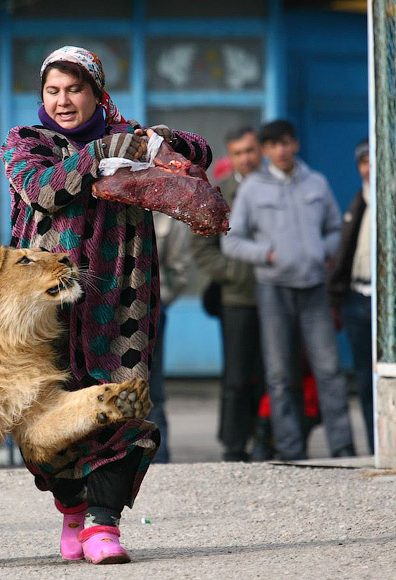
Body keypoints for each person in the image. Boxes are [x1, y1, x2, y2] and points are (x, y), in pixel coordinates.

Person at [1, 45, 212, 564]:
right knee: (45, 412)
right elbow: (45, 189)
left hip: (123, 296)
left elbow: (198, 152)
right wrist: (101, 154)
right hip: (45, 305)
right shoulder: (26, 142)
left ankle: (103, 524)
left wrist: (155, 142)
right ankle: (72, 506)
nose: (63, 100)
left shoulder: (127, 137)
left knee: (123, 401)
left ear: (97, 93)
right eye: (53, 90)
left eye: (75, 89)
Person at [221, 119, 356, 461]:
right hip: (273, 290)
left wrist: (318, 251)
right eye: (273, 145)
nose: (280, 150)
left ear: (295, 144)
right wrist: (265, 254)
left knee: (329, 369)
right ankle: (290, 448)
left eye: (285, 143)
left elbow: (334, 230)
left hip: (313, 289)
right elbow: (232, 242)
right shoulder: (253, 189)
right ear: (265, 151)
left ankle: (343, 446)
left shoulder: (317, 183)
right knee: (280, 373)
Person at [190, 127, 265, 462]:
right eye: (239, 153)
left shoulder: (275, 189)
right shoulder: (220, 195)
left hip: (279, 296)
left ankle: (269, 439)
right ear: (230, 156)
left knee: (274, 374)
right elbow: (202, 249)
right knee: (236, 375)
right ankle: (234, 444)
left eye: (251, 150)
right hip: (237, 299)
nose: (246, 158)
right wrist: (236, 274)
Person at [327, 138, 373, 453]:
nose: (369, 168)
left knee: (386, 375)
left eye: (374, 160)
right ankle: (375, 446)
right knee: (365, 379)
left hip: (387, 300)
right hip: (357, 297)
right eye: (363, 162)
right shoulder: (359, 201)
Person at [147, 212, 192, 464]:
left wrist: (160, 300)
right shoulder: (109, 198)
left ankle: (158, 458)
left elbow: (179, 269)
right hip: (109, 308)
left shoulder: (166, 216)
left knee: (152, 388)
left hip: (152, 308)